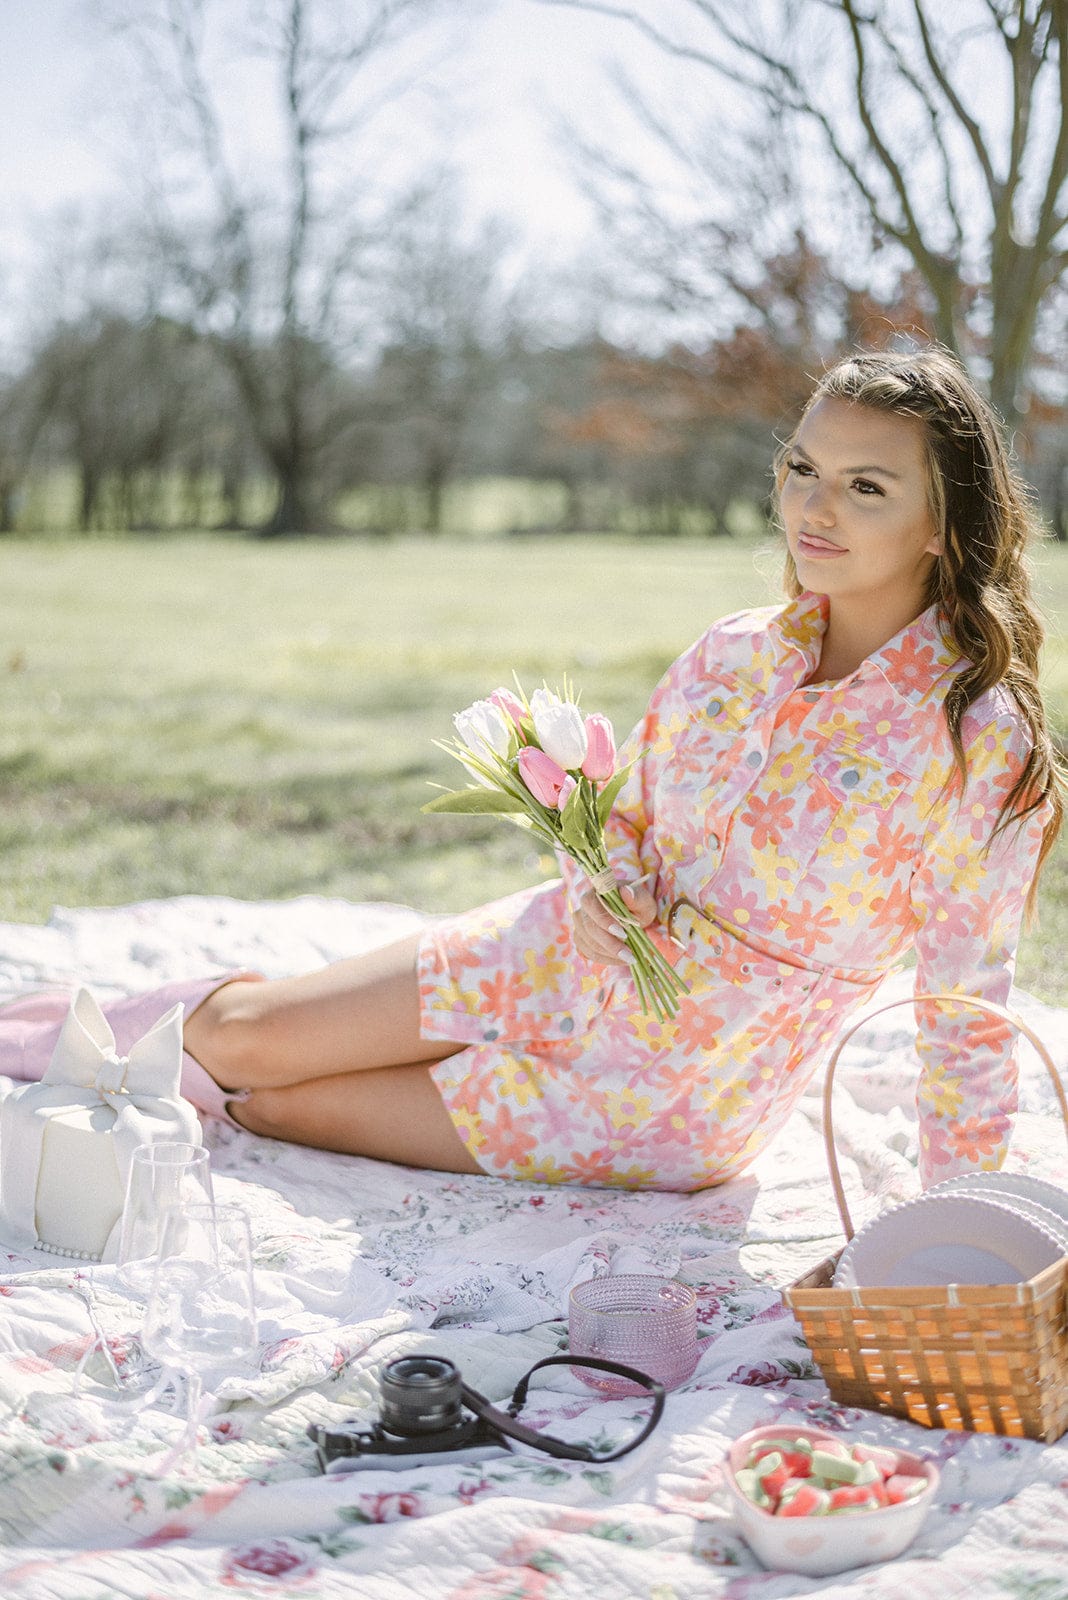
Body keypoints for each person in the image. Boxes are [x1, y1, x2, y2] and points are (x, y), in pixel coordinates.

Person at [2, 348, 1062, 1193]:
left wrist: (955, 1237)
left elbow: (965, 1009)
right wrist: (598, 887)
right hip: (557, 955)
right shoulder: (733, 653)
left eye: (864, 486)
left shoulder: (979, 739)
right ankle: (27, 1038)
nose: (814, 509)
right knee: (244, 1039)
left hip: (674, 1089)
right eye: (801, 469)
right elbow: (631, 829)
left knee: (276, 1108)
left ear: (941, 525)